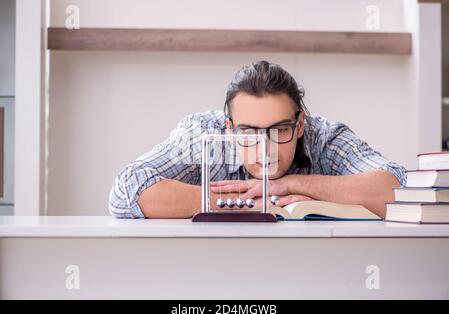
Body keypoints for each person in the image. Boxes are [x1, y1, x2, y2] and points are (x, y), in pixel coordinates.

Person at [109, 60, 405, 219]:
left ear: (300, 124)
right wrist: (246, 201)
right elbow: (126, 191)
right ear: (229, 127)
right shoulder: (203, 133)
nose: (266, 148)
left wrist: (290, 184)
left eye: (279, 130)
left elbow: (399, 190)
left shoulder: (326, 138)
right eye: (249, 132)